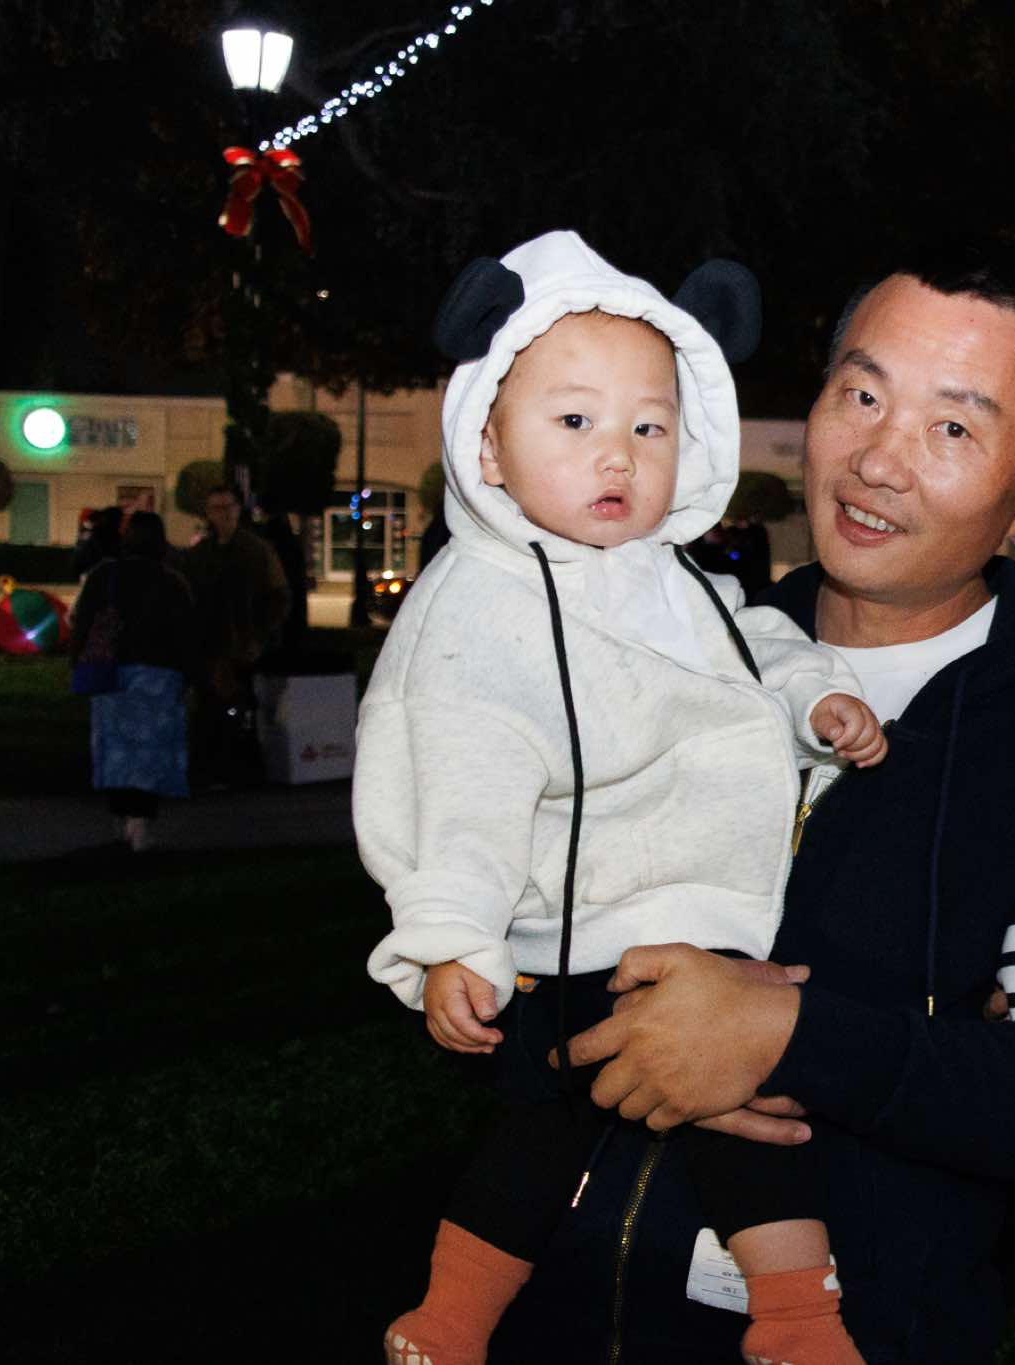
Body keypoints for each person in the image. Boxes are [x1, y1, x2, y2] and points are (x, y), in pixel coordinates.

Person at [512, 239, 1015, 1364]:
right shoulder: (671, 653)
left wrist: (782, 1036)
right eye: (861, 396)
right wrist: (619, 1036)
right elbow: (488, 961)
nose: (878, 461)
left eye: (952, 428)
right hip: (543, 1313)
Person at [356, 230, 886, 1365]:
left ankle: (797, 1320)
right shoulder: (480, 606)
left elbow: (752, 646)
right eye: (573, 420)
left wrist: (815, 697)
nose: (618, 454)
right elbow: (459, 778)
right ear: (487, 443)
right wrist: (452, 937)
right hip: (573, 927)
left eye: (650, 426)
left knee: (753, 1128)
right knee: (545, 1134)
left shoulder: (673, 576)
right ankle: (450, 1319)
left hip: (702, 917)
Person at [69, 511, 197, 850]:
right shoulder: (172, 582)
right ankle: (141, 823)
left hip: (111, 674)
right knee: (149, 755)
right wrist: (189, 675)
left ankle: (120, 819)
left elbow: (83, 623)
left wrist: (77, 662)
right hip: (159, 676)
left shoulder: (104, 576)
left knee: (116, 752)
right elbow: (186, 633)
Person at [181, 485, 290, 782]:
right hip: (210, 648)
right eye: (217, 508)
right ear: (207, 513)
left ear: (238, 510)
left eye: (229, 507)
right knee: (210, 710)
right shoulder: (200, 555)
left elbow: (278, 597)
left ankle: (241, 769)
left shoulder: (257, 551)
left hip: (246, 646)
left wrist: (260, 636)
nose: (224, 514)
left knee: (244, 709)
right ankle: (212, 769)